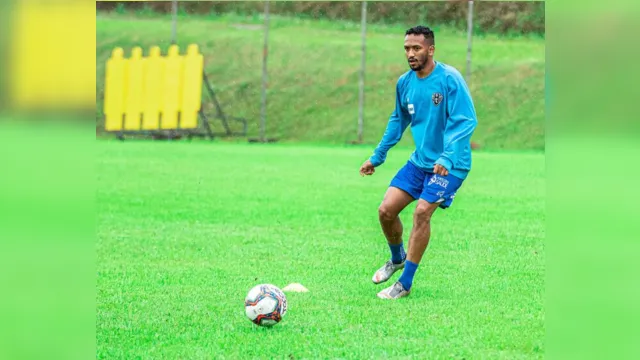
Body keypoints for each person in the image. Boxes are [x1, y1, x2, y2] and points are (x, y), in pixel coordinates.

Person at [359, 25, 478, 299]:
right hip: (420, 162)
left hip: (452, 164)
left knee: (422, 212)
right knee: (386, 211)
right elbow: (398, 120)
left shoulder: (449, 79)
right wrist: (377, 156)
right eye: (406, 49)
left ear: (431, 49)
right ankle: (397, 257)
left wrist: (447, 156)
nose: (410, 54)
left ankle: (405, 283)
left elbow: (466, 120)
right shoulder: (405, 83)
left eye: (416, 48)